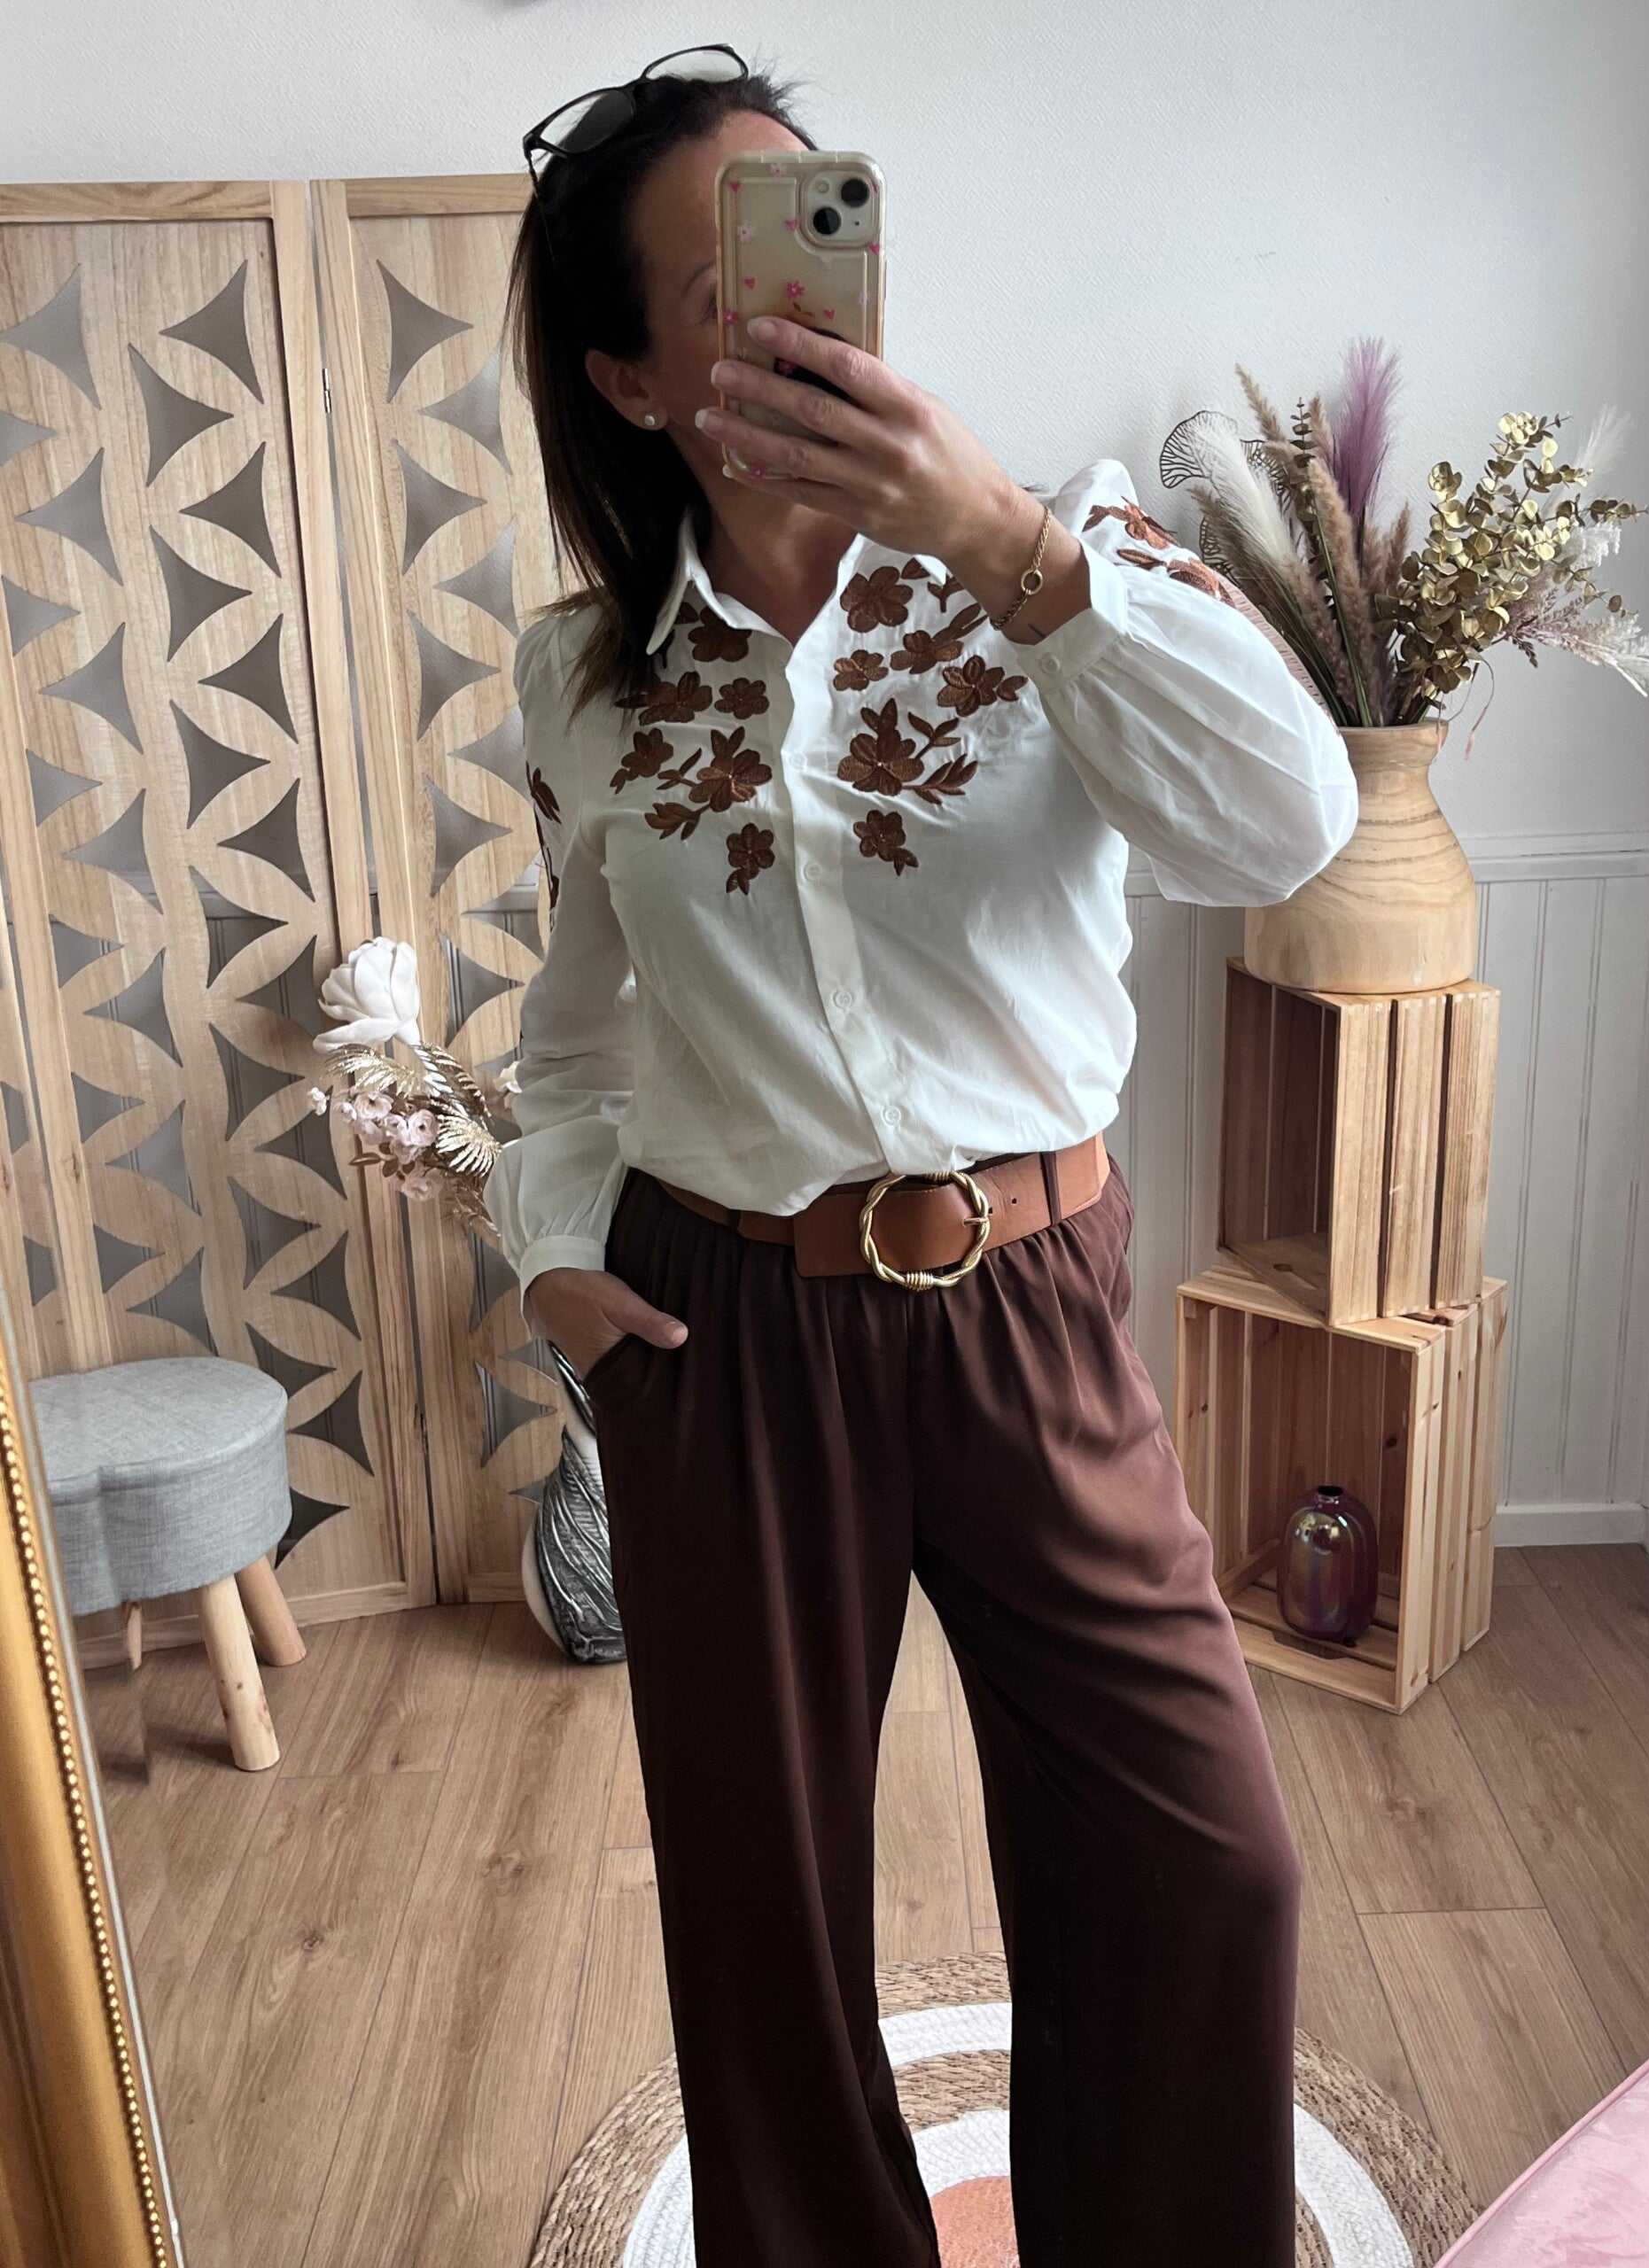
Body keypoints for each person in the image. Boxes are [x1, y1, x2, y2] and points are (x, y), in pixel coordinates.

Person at [488, 44, 1357, 2268]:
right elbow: (577, 1030)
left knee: (1206, 1863)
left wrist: (1010, 548)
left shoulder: (1070, 558)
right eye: (725, 292)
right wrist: (551, 1248)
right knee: (762, 1923)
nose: (801, 317)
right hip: (724, 1327)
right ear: (627, 377)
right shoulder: (585, 674)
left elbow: (1290, 824)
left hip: (1033, 1302)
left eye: (823, 235)